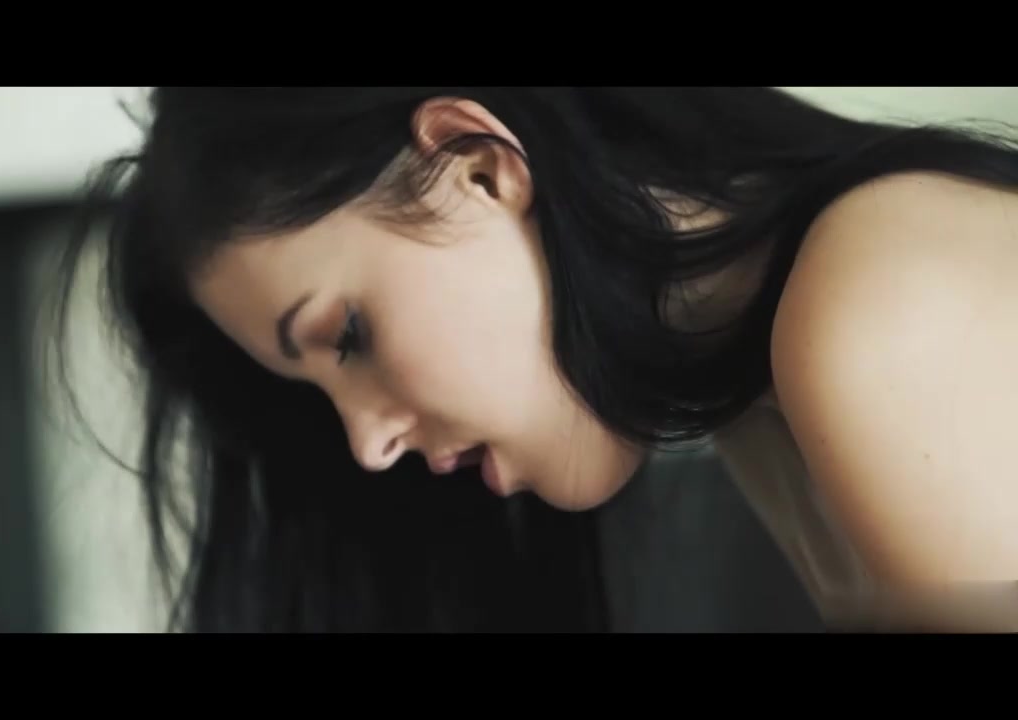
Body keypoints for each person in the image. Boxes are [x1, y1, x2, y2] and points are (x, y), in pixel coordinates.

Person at [53, 87, 1018, 632]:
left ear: (478, 168)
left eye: (347, 336)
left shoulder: (873, 320)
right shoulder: (763, 410)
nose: (367, 445)